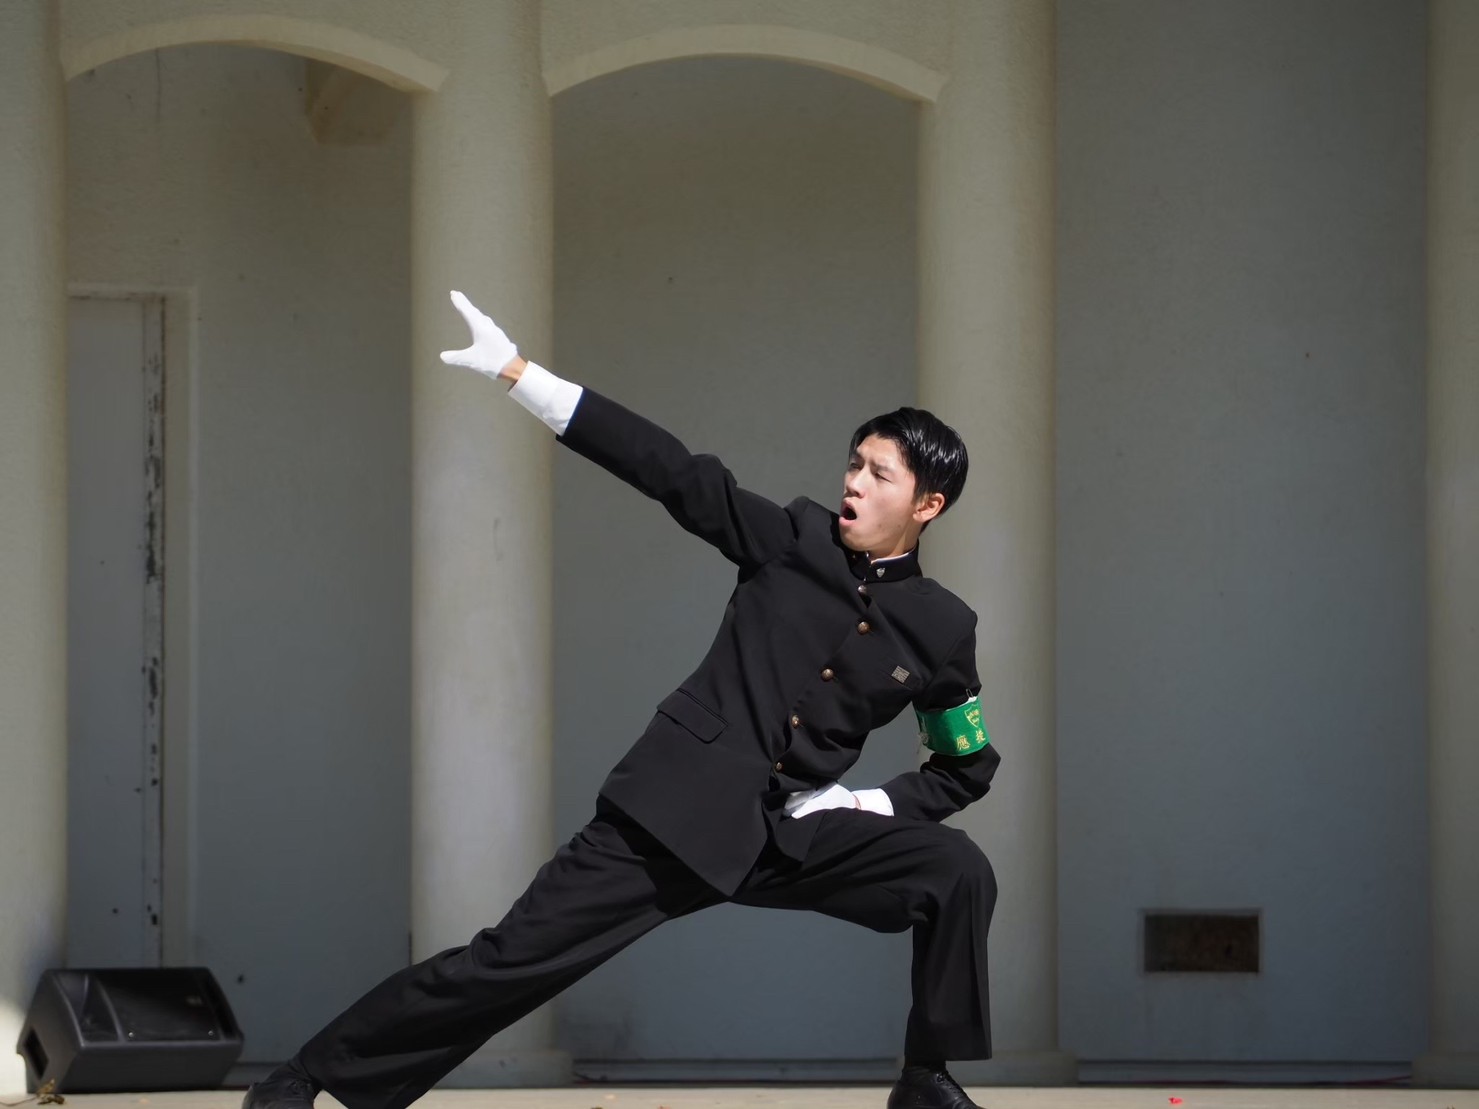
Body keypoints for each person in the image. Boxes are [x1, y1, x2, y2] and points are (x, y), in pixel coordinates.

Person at [244, 291, 1001, 1109]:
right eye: (852, 463)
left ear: (926, 504)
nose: (852, 481)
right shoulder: (791, 540)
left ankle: (925, 1078)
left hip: (787, 835)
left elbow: (964, 763)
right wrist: (520, 373)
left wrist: (864, 802)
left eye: (877, 473)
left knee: (954, 868)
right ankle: (304, 1076)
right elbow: (668, 470)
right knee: (506, 961)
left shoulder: (941, 627)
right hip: (668, 816)